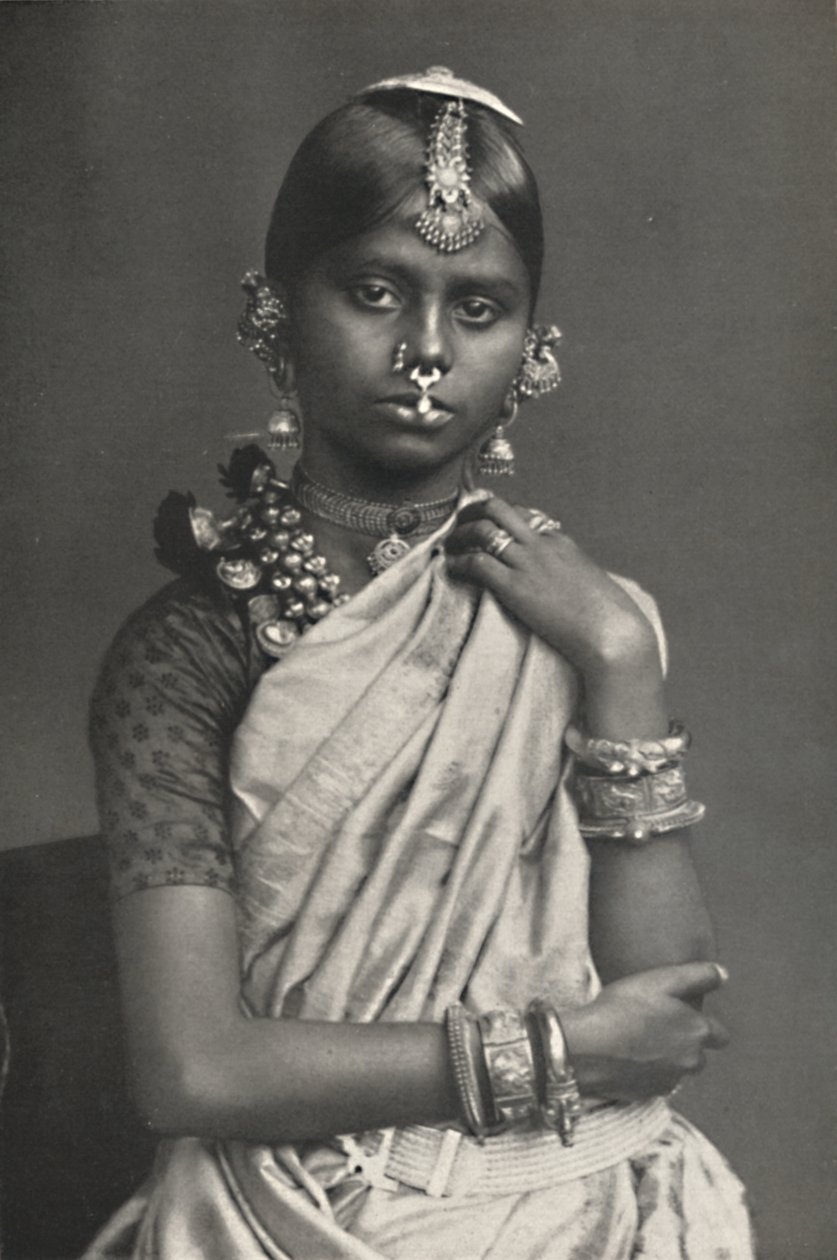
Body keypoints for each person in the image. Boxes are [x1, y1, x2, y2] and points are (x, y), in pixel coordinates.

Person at [86, 68, 754, 1259]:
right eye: (376, 292)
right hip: (296, 1214)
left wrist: (617, 662)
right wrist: (556, 1051)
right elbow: (192, 1072)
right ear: (274, 313)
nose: (428, 350)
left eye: (479, 308)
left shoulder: (588, 618)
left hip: (592, 1205)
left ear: (533, 350)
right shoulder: (188, 651)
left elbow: (664, 1011)